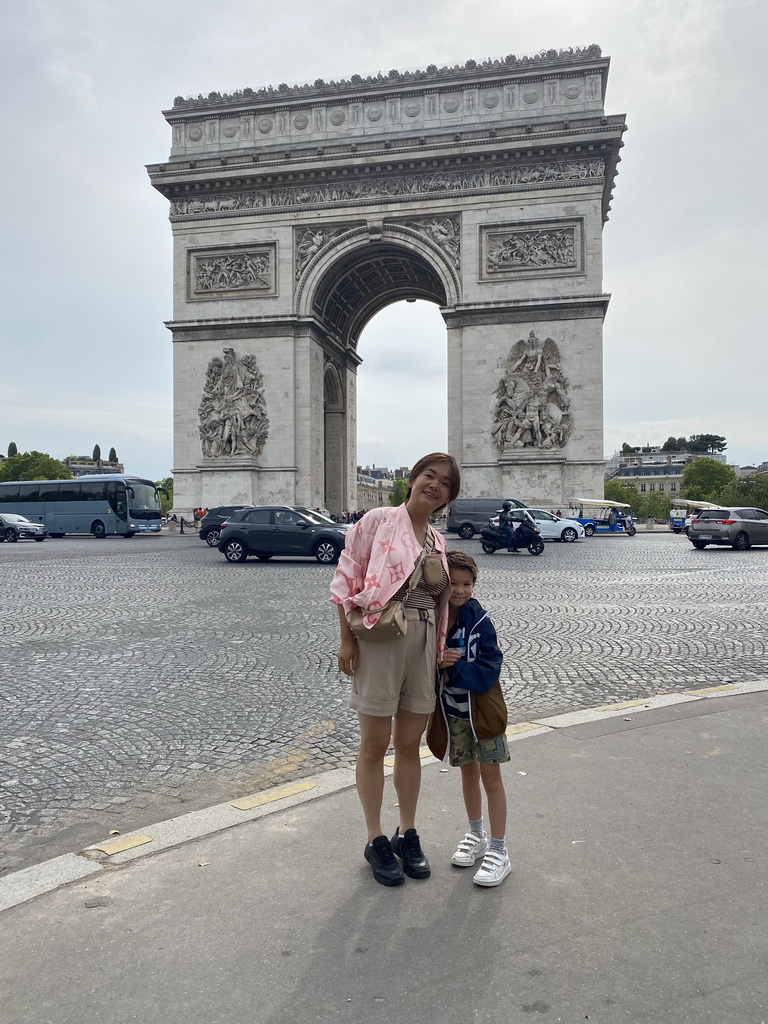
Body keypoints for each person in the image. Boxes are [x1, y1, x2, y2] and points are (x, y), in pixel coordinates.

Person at [330, 453, 461, 887]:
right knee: (373, 744)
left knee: (410, 745)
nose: (435, 485)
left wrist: (444, 649)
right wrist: (347, 639)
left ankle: (407, 831)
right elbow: (346, 578)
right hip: (382, 639)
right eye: (429, 476)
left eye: (445, 483)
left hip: (424, 644)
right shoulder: (377, 520)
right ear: (413, 479)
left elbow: (447, 600)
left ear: (450, 495)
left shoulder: (439, 542)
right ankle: (375, 838)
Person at [432, 550, 511, 887]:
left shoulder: (482, 622)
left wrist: (454, 668)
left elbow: (489, 670)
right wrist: (437, 663)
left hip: (484, 715)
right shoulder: (434, 623)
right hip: (455, 715)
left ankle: (499, 849)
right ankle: (476, 833)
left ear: (475, 585)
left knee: (491, 778)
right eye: (453, 583)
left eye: (467, 584)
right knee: (467, 774)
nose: (460, 590)